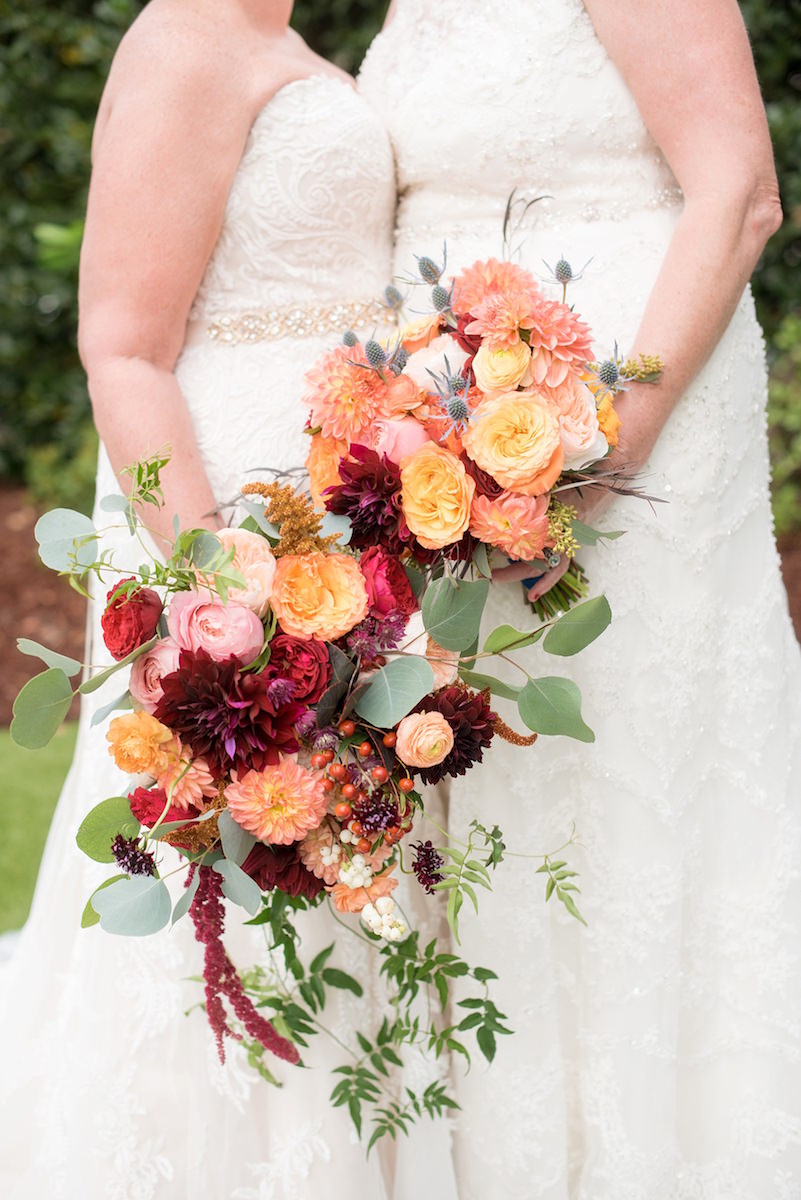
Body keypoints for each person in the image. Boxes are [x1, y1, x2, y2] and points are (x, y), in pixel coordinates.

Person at [359, 0, 801, 1195]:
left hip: (628, 417)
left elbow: (742, 196)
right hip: (444, 449)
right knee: (487, 780)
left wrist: (609, 452)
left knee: (618, 775)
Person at [0, 2, 406, 1196]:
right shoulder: (184, 38)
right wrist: (211, 597)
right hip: (225, 513)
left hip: (340, 518)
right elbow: (122, 344)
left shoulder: (288, 43)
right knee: (218, 869)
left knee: (340, 862)